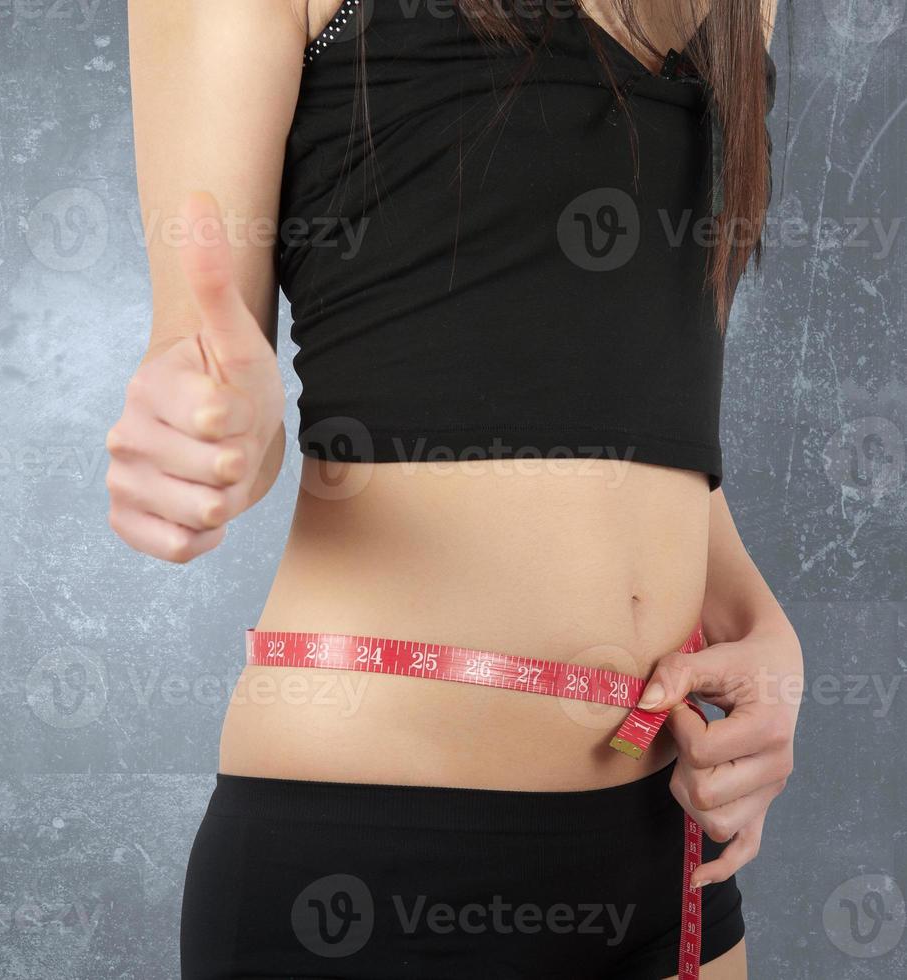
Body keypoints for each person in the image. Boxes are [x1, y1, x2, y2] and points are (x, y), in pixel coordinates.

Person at [107, 1, 803, 977]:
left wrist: (754, 619)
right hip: (373, 858)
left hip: (668, 853)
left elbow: (625, 394)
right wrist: (209, 420)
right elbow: (211, 359)